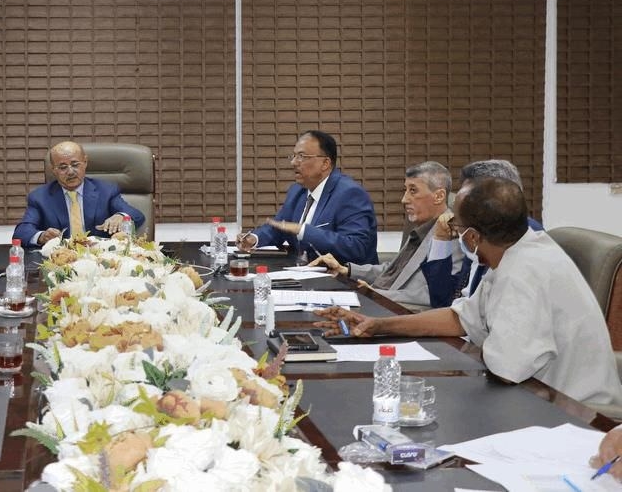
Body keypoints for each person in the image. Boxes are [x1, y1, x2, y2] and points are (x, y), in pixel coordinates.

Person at [315, 178, 622, 407]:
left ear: (473, 237)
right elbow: (460, 318)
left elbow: (506, 369)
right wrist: (377, 325)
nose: (455, 233)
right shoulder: (518, 251)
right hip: (537, 394)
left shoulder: (523, 271)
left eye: (457, 227)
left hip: (573, 412)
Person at [314, 161, 461, 310]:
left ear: (439, 196)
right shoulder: (421, 227)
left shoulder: (452, 233)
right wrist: (347, 270)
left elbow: (438, 294)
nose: (404, 199)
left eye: (413, 191)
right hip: (378, 303)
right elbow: (394, 271)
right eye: (405, 190)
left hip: (403, 312)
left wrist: (374, 294)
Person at [236, 130, 378, 265]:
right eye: (294, 156)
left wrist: (303, 231)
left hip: (343, 278)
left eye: (301, 156)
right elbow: (279, 227)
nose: (293, 162)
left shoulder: (350, 193)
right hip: (303, 273)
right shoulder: (297, 191)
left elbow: (356, 247)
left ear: (325, 163)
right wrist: (254, 238)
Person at [421, 159, 543, 304]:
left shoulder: (518, 238)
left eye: (470, 200)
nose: (462, 209)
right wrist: (441, 239)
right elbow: (443, 299)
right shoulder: (481, 231)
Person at [13, 141, 145, 248]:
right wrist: (42, 237)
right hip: (60, 260)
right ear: (53, 170)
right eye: (63, 167)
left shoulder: (106, 191)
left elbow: (137, 215)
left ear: (85, 162)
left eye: (75, 164)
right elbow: (21, 232)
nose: (70, 172)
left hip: (99, 258)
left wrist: (121, 216)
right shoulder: (39, 197)